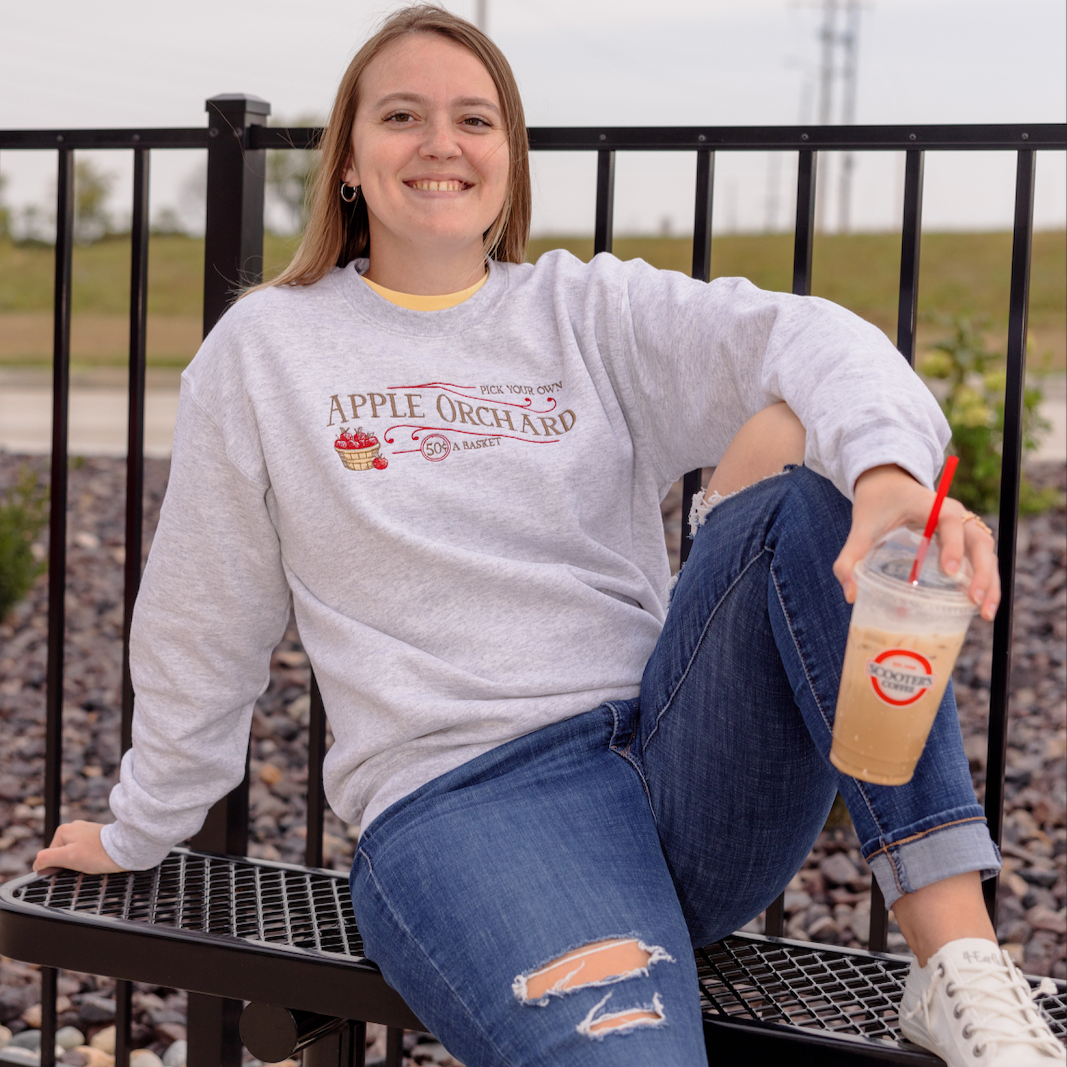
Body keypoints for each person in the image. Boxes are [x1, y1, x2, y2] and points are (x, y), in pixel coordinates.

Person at [34, 7, 1063, 1066]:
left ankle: (955, 967)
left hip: (672, 763)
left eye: (473, 119)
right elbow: (206, 609)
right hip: (470, 804)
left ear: (509, 159)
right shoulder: (270, 348)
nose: (441, 142)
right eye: (402, 115)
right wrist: (142, 819)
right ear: (346, 159)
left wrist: (890, 471)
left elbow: (808, 335)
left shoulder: (583, 311)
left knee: (816, 481)